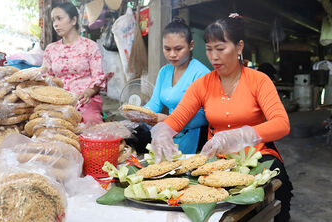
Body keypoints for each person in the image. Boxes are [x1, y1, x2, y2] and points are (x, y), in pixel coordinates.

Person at [150, 13, 293, 222]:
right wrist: (163, 132)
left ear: (239, 47)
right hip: (217, 158)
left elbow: (282, 124)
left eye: (220, 49)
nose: (214, 57)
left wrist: (242, 135)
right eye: (209, 49)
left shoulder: (259, 81)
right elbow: (177, 118)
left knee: (280, 191)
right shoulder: (202, 84)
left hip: (257, 155)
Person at [126, 17, 210, 154]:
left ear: (191, 45)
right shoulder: (165, 71)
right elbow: (155, 103)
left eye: (178, 49)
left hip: (193, 136)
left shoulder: (201, 73)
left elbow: (204, 116)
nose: (172, 55)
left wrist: (168, 120)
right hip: (167, 133)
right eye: (167, 49)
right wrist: (140, 113)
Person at [43, 2, 110, 125]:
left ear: (73, 20)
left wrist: (88, 93)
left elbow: (98, 77)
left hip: (85, 99)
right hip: (59, 100)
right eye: (53, 20)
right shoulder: (51, 49)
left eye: (59, 18)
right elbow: (46, 78)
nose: (55, 24)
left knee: (90, 121)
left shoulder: (90, 46)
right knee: (48, 124)